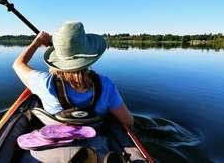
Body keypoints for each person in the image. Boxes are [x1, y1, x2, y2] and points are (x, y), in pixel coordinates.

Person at [13, 21, 145, 162]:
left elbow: (17, 64)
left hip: (57, 143)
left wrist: (37, 42)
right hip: (96, 140)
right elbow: (128, 121)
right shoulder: (106, 85)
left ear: (57, 57)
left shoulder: (44, 83)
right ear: (90, 55)